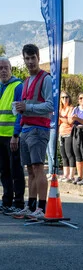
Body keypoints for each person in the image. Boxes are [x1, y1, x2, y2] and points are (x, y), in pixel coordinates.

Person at [12, 44, 53, 220]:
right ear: (24, 60)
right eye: (27, 58)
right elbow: (24, 107)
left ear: (38, 57)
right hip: (26, 129)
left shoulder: (46, 78)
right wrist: (17, 132)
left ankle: (41, 208)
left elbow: (50, 106)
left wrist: (27, 107)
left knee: (38, 168)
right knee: (30, 170)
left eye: (32, 58)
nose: (30, 62)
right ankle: (31, 207)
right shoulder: (26, 81)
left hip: (39, 129)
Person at [0, 57, 25, 216]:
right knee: (3, 171)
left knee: (15, 170)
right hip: (0, 136)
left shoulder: (17, 86)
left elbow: (20, 114)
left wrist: (15, 135)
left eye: (6, 67)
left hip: (12, 137)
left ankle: (19, 202)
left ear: (11, 69)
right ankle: (7, 201)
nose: (3, 70)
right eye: (0, 68)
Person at [58, 92, 75, 182]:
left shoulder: (71, 108)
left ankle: (71, 175)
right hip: (61, 133)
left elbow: (69, 121)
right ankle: (66, 174)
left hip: (69, 133)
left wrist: (60, 117)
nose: (65, 99)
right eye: (63, 97)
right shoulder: (61, 109)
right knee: (63, 155)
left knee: (69, 154)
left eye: (66, 97)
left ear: (69, 98)